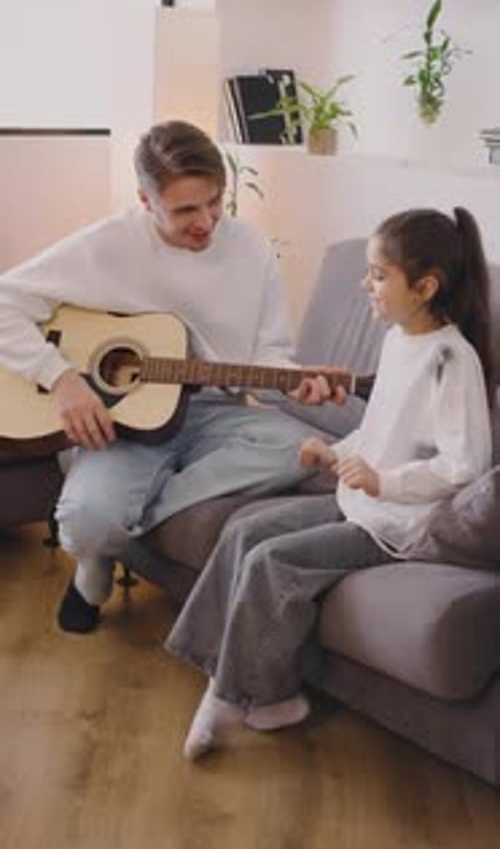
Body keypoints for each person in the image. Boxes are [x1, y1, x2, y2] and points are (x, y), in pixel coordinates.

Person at [166, 205, 494, 761]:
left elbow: (465, 465)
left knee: (275, 562)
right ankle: (229, 678)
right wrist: (335, 453)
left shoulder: (450, 360)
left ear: (425, 286)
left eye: (378, 275)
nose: (365, 284)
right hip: (361, 502)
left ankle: (239, 696)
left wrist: (384, 482)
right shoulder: (398, 341)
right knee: (246, 534)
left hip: (398, 526)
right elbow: (379, 429)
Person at [0, 120, 340, 634]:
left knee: (301, 446)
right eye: (185, 209)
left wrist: (291, 381)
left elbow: (269, 355)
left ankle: (117, 527)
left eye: (214, 202)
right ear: (145, 199)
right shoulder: (107, 245)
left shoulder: (250, 249)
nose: (206, 221)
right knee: (88, 520)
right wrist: (62, 378)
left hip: (216, 415)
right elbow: (5, 300)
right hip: (124, 425)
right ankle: (94, 560)